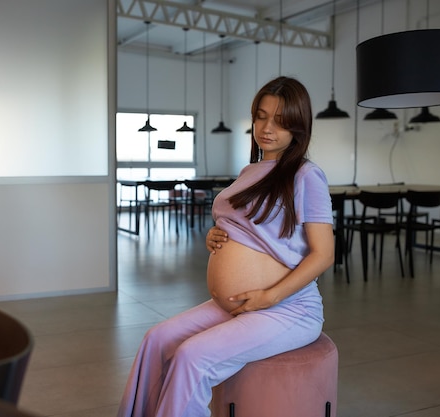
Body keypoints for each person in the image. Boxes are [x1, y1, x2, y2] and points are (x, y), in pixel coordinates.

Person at [117, 76, 335, 417]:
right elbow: (246, 227)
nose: (266, 128)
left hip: (288, 308)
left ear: (298, 125)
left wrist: (269, 296)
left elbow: (324, 254)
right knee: (156, 340)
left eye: (280, 120)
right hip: (242, 303)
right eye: (261, 116)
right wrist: (214, 236)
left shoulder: (306, 175)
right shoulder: (251, 170)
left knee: (193, 356)